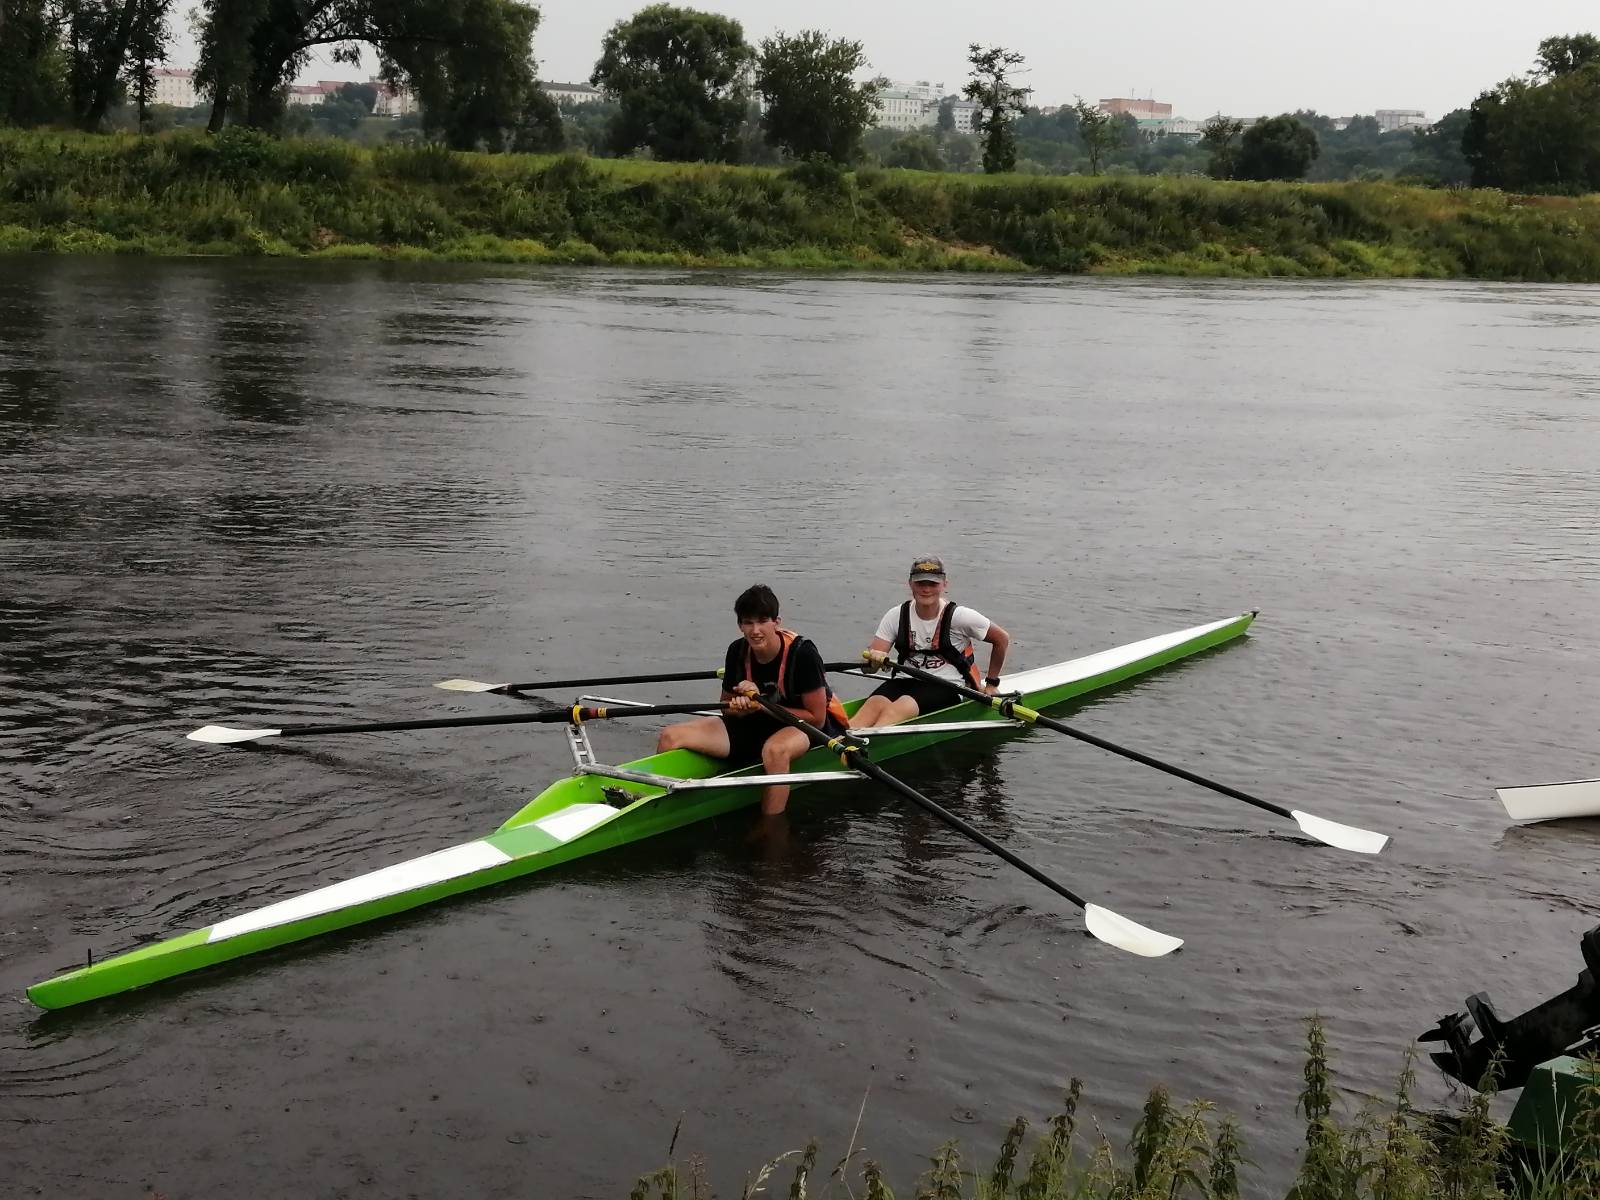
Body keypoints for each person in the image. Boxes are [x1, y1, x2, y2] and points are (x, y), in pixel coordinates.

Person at [656, 584, 849, 816]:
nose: (755, 630)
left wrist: (762, 706)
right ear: (740, 626)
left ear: (776, 622)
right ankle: (654, 804)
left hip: (801, 728)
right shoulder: (737, 651)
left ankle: (770, 827)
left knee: (775, 751)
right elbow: (726, 707)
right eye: (748, 623)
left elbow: (817, 719)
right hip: (755, 723)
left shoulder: (803, 654)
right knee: (670, 736)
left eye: (762, 621)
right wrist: (739, 709)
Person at [851, 556, 1010, 730]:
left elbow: (1001, 639)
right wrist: (873, 660)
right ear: (910, 584)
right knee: (872, 705)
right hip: (905, 679)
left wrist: (992, 683)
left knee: (900, 707)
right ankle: (840, 741)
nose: (926, 590)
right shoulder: (896, 615)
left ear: (944, 585)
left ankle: (863, 745)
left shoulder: (960, 617)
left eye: (933, 584)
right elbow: (868, 669)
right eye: (920, 584)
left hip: (947, 685)